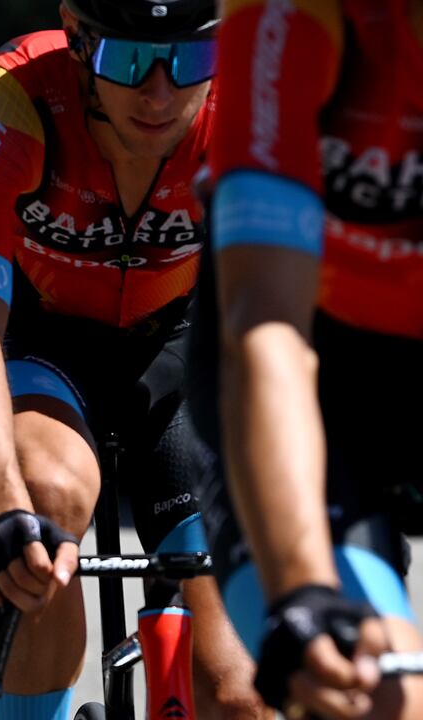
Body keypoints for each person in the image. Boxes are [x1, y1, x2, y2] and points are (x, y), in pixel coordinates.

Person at [0, 1, 265, 717]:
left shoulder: (252, 99)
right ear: (79, 40)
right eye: (129, 59)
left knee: (237, 694)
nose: (159, 93)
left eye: (189, 60)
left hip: (176, 353)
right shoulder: (9, 100)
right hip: (45, 348)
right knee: (45, 507)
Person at [196, 0, 423, 717]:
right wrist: (301, 590)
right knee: (374, 690)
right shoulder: (299, 17)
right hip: (306, 372)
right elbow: (266, 320)